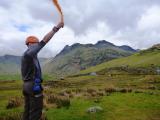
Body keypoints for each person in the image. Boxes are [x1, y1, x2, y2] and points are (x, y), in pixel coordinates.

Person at [21, 22, 64, 120]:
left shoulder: (28, 55)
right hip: (33, 86)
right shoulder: (29, 54)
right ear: (30, 44)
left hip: (26, 86)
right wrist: (56, 28)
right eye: (36, 43)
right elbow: (44, 41)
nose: (37, 45)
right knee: (35, 113)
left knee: (27, 111)